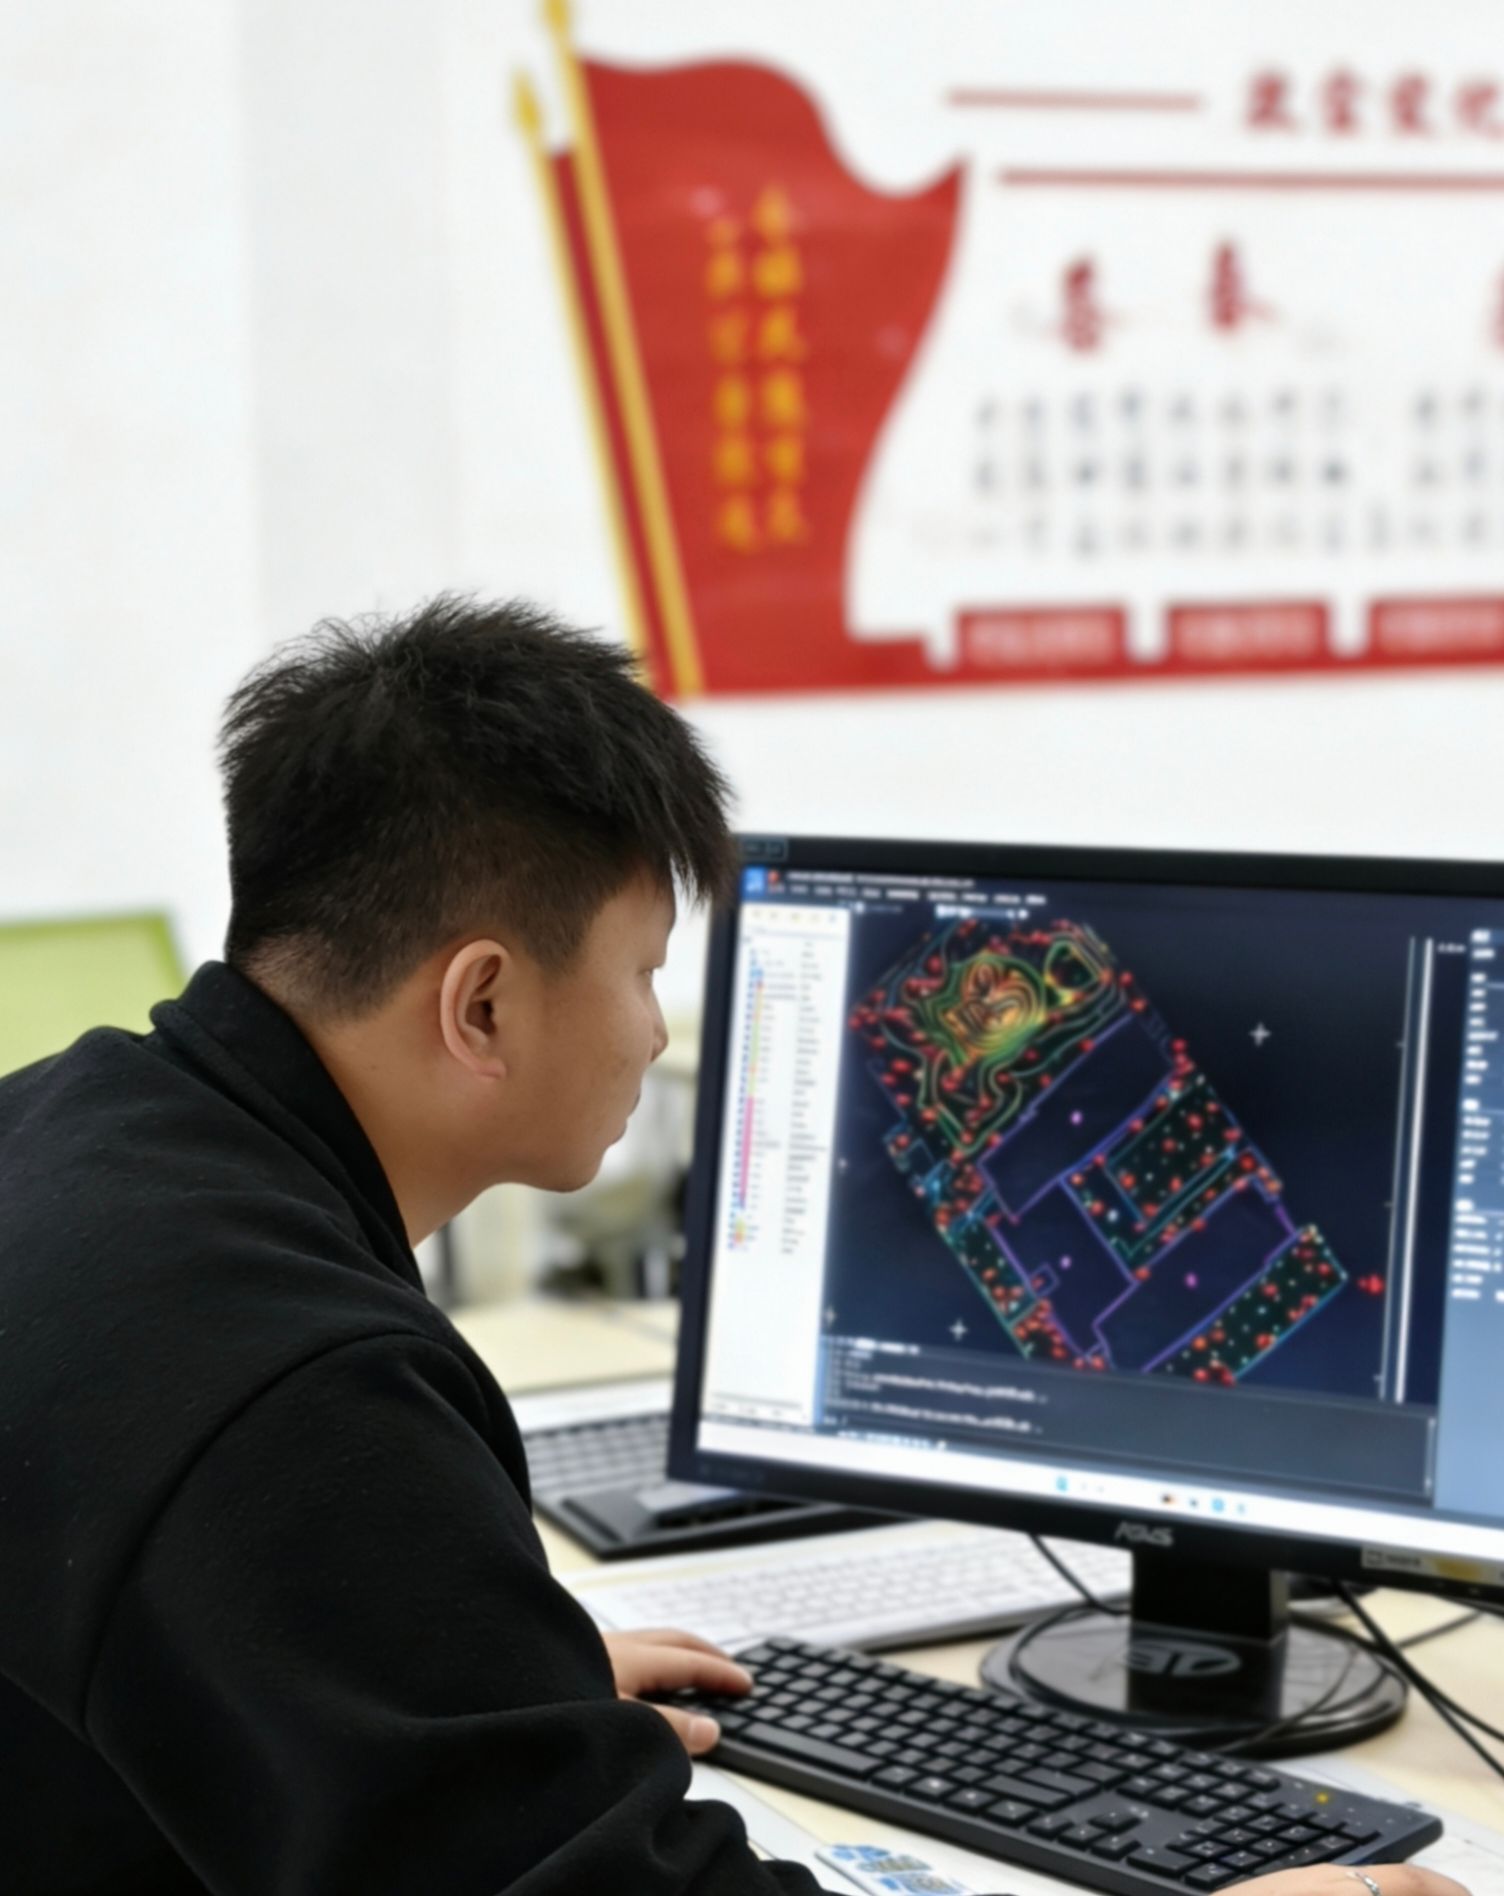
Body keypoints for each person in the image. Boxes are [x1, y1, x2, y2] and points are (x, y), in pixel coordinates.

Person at [0, 597, 1471, 1896]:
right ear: (482, 1006)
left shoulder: (69, 1132)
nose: (654, 1031)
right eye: (644, 971)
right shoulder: (301, 1395)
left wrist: (477, 1681)